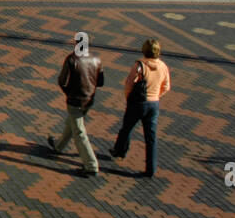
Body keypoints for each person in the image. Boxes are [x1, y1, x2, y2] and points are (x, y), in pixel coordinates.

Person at [110, 38, 171, 177]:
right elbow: (167, 86)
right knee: (151, 138)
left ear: (144, 50)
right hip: (154, 104)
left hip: (138, 103)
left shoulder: (140, 65)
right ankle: (151, 169)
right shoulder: (163, 66)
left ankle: (119, 151)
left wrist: (128, 98)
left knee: (127, 128)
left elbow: (129, 84)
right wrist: (157, 95)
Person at [47, 35, 104, 177]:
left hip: (75, 101)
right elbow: (101, 82)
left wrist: (68, 93)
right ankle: (58, 145)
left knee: (79, 132)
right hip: (89, 100)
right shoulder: (96, 60)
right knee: (73, 122)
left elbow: (62, 81)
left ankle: (91, 165)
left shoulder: (72, 59)